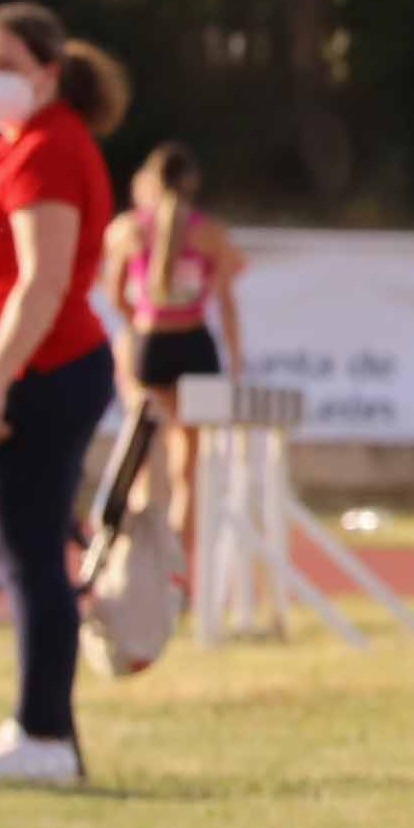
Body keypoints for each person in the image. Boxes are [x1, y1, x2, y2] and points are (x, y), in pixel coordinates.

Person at [0, 3, 128, 786]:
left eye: (5, 64)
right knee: (27, 553)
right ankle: (46, 733)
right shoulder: (19, 151)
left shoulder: (47, 152)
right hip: (30, 375)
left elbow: (42, 283)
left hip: (39, 376)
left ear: (49, 70)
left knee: (29, 557)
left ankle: (43, 735)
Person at [100, 143, 249, 556]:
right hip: (195, 345)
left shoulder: (128, 230)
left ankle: (142, 566)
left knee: (146, 466)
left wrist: (139, 322)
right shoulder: (211, 233)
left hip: (151, 345)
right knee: (189, 470)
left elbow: (114, 295)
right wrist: (235, 361)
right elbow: (227, 302)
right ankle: (181, 569)